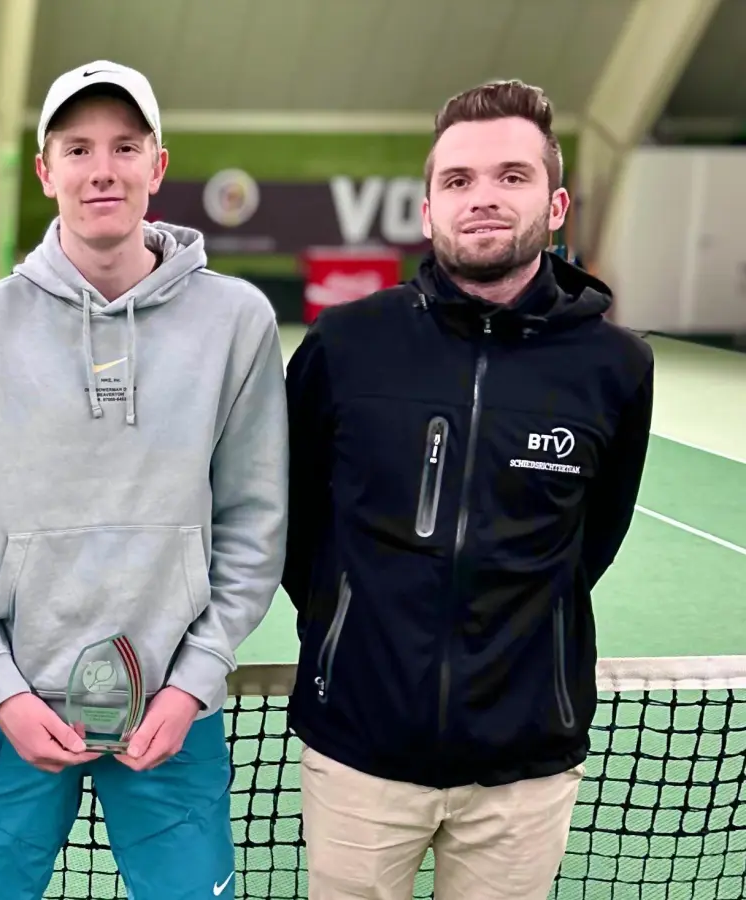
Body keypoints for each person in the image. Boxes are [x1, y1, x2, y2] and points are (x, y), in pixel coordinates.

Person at [0, 59, 289, 899]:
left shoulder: (238, 323)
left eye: (125, 146)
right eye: (77, 148)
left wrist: (192, 684)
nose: (102, 169)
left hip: (172, 719)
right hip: (11, 715)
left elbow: (255, 527)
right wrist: (0, 690)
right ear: (45, 171)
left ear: (158, 165)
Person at [283, 79, 654, 900]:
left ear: (556, 205)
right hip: (357, 751)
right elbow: (293, 516)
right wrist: (348, 630)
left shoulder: (617, 366)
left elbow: (593, 540)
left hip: (523, 769)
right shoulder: (346, 344)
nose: (482, 198)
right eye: (458, 181)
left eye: (511, 176)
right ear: (426, 210)